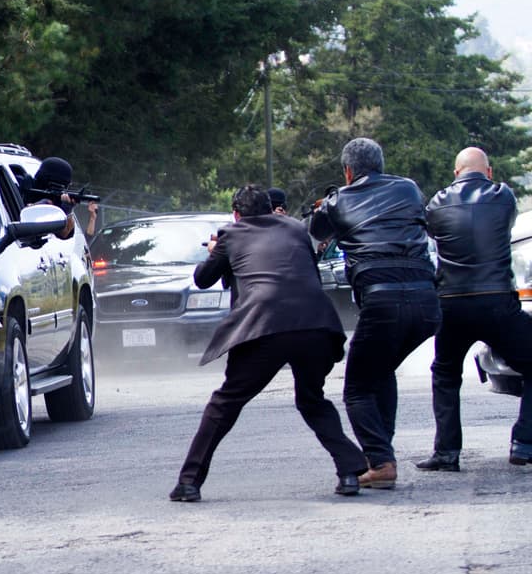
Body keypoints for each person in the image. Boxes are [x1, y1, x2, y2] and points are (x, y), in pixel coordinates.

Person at [169, 185, 366, 502]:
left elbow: (202, 279)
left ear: (236, 214)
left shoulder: (231, 235)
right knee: (312, 400)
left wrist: (216, 250)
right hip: (315, 323)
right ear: (270, 208)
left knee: (224, 404)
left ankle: (189, 482)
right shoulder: (295, 228)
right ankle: (350, 469)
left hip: (264, 326)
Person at [308, 137, 440, 489]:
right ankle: (381, 453)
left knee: (357, 388)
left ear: (348, 171)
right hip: (427, 303)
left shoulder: (338, 200)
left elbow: (317, 232)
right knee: (380, 371)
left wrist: (325, 204)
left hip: (382, 300)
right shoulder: (409, 188)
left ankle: (380, 463)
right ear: (381, 165)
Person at [420, 146, 532, 470]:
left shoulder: (436, 204)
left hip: (451, 304)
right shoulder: (503, 197)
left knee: (445, 374)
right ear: (489, 172)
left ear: (456, 174)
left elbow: (432, 233)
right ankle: (524, 442)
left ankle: (446, 453)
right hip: (497, 302)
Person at [23, 156, 98, 239]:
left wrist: (67, 212)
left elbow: (65, 235)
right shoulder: (27, 195)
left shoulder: (56, 203)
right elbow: (26, 218)